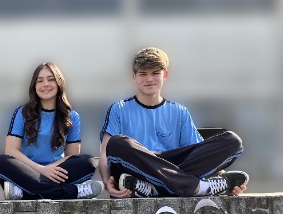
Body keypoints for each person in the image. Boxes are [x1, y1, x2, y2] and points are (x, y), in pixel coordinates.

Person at [99, 46, 249, 199]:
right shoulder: (119, 109)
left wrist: (224, 181)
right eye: (143, 74)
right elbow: (105, 153)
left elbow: (197, 155)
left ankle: (156, 188)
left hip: (167, 167)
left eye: (155, 73)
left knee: (232, 140)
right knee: (117, 143)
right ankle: (198, 187)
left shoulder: (180, 111)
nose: (149, 79)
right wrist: (106, 183)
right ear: (134, 77)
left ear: (165, 75)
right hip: (136, 167)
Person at [0, 62, 103, 200]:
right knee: (1, 162)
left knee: (89, 161)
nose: (45, 84)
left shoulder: (72, 117)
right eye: (40, 81)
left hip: (56, 172)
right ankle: (73, 192)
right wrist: (42, 170)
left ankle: (25, 193)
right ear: (34, 86)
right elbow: (11, 151)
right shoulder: (22, 113)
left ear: (59, 83)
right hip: (26, 171)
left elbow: (72, 155)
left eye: (51, 79)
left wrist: (51, 168)